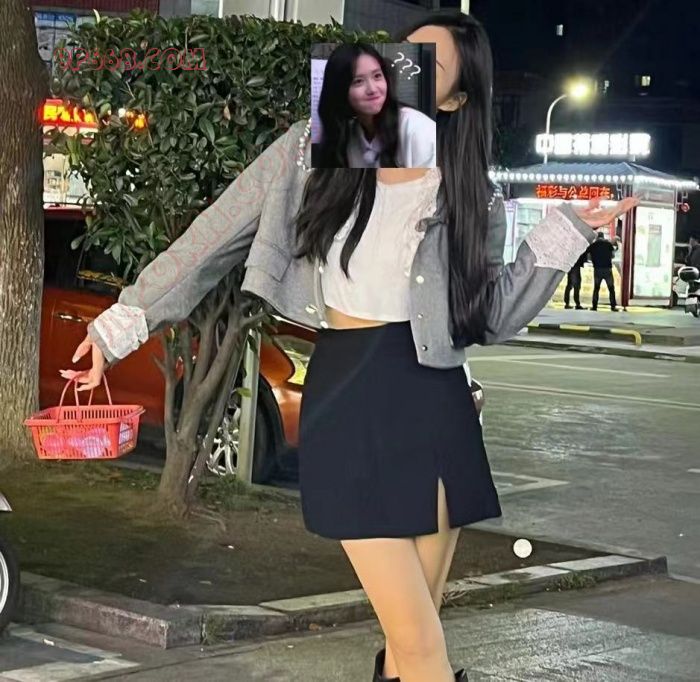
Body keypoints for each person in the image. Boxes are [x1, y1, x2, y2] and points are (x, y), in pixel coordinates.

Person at [61, 12, 637, 682]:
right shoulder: (312, 151)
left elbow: (488, 316)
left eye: (426, 65)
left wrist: (565, 233)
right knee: (420, 644)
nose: (400, 70)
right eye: (399, 54)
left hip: (435, 399)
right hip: (350, 390)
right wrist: (122, 323)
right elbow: (213, 236)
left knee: (411, 640)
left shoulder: (469, 197)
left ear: (454, 100)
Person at [313, 42, 436, 168]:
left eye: (377, 76)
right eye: (358, 81)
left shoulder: (417, 130)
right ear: (340, 90)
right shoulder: (348, 138)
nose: (372, 89)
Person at [588, 230, 619, 311]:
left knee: (596, 288)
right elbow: (612, 256)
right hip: (607, 269)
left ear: (597, 237)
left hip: (597, 269)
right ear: (603, 237)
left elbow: (589, 257)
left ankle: (594, 306)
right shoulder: (608, 244)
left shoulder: (593, 245)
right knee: (611, 288)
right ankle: (613, 306)